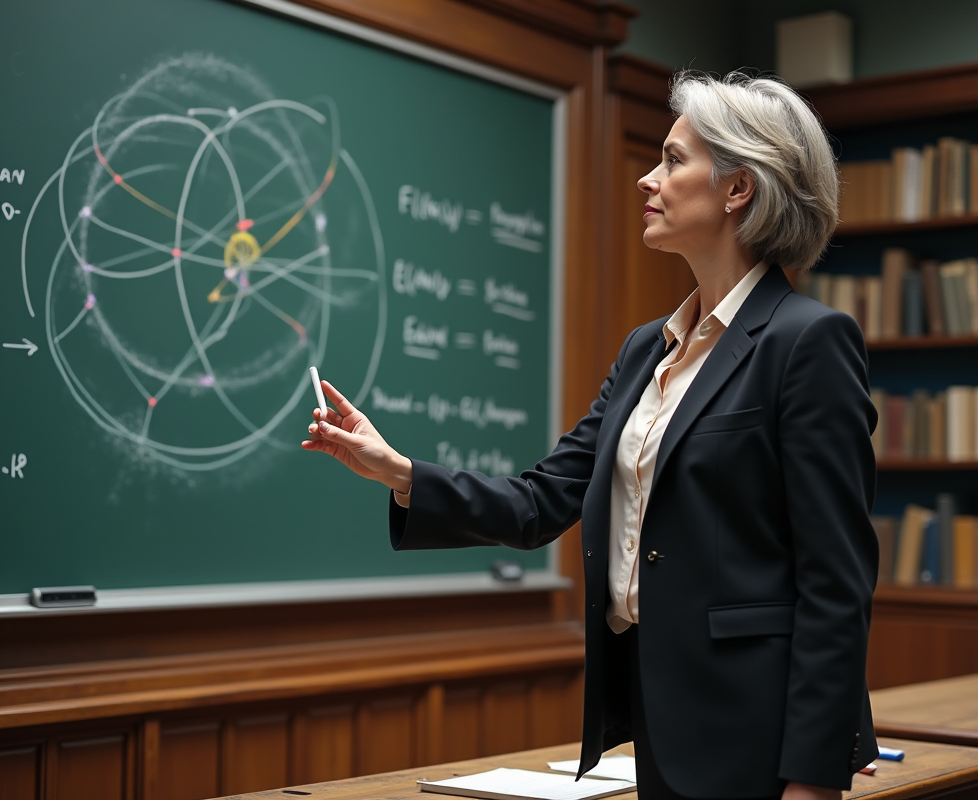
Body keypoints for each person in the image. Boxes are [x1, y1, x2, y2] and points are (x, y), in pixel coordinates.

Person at [302, 70, 879, 800]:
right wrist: (398, 472)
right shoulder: (647, 350)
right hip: (661, 726)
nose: (647, 178)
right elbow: (540, 501)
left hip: (757, 733)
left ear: (738, 188)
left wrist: (813, 781)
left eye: (673, 159)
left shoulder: (808, 341)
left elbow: (837, 581)